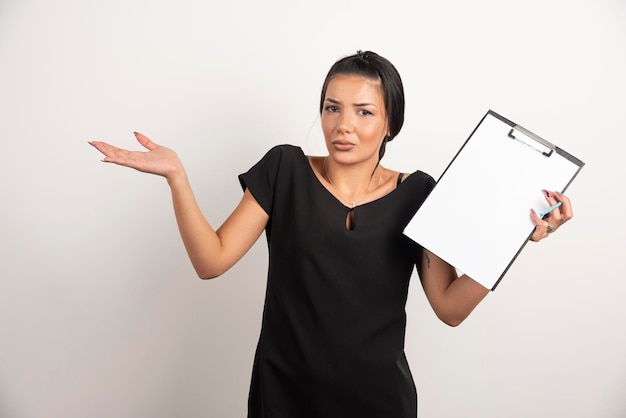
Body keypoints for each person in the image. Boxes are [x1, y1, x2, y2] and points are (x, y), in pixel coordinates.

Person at [89, 50, 573, 418]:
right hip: (283, 398)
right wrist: (177, 176)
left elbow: (449, 307)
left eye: (364, 112)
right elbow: (210, 261)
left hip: (379, 403)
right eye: (332, 108)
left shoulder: (419, 192)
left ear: (390, 124)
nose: (343, 125)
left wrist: (511, 238)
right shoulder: (285, 169)